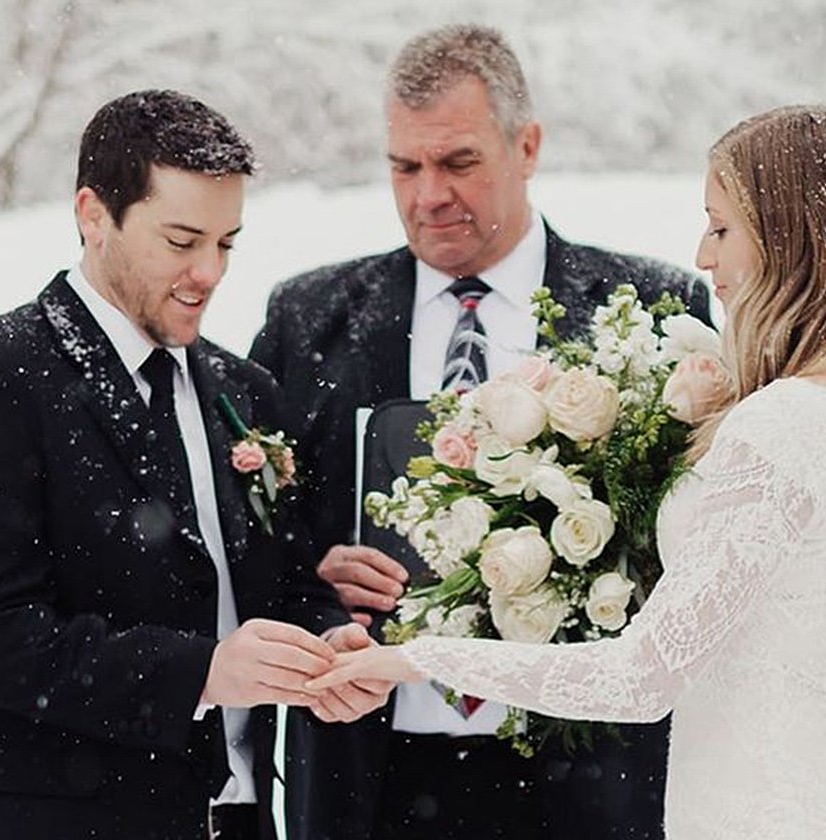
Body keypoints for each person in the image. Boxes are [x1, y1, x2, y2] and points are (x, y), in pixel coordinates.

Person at [308, 105, 826, 838]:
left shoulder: (785, 425)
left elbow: (640, 677)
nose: (704, 257)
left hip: (771, 810)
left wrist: (414, 658)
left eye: (721, 226)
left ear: (788, 235)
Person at [249, 23, 711, 840]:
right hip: (369, 779)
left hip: (586, 775)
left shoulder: (648, 310)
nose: (428, 195)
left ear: (526, 146)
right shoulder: (306, 318)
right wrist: (315, 572)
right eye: (404, 166)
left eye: (458, 162)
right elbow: (254, 540)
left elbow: (698, 549)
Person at [0, 89, 389, 840]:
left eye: (227, 243)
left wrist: (326, 642)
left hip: (239, 820)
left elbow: (280, 580)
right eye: (182, 240)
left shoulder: (246, 390)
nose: (208, 272)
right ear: (94, 216)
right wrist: (202, 673)